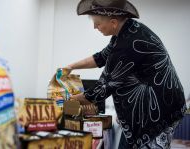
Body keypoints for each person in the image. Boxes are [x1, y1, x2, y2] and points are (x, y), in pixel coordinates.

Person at [65, 0, 187, 148]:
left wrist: (68, 100)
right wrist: (71, 66)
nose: (95, 27)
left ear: (113, 22)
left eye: (97, 23)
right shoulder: (125, 31)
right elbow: (101, 57)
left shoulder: (128, 43)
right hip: (154, 104)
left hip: (160, 109)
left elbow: (102, 89)